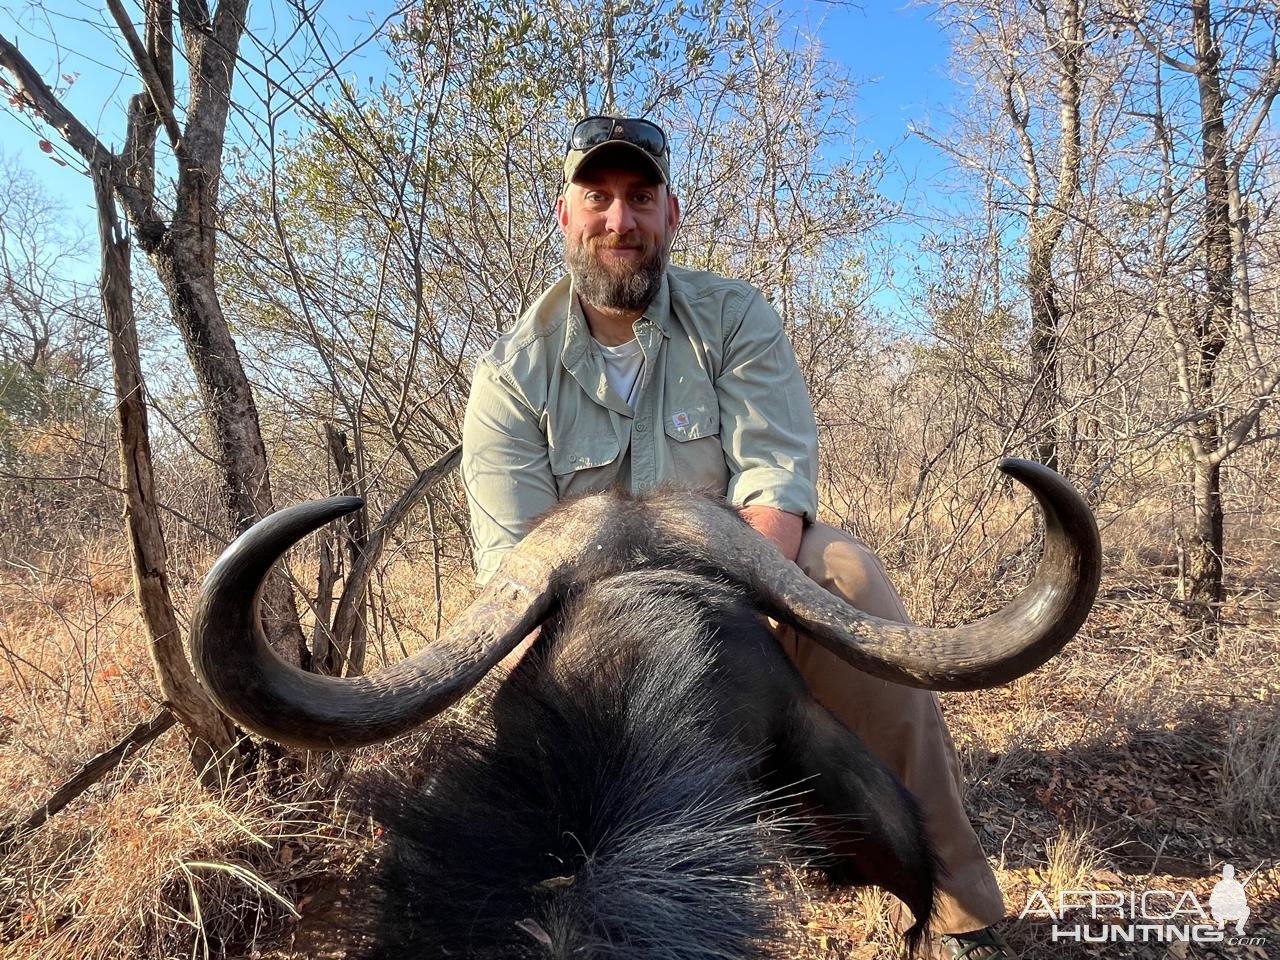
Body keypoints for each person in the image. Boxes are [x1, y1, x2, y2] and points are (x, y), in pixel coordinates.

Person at [460, 114, 1016, 960]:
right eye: (599, 199)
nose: (620, 221)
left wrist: (732, 630)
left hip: (738, 583)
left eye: (640, 199)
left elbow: (773, 481)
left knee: (854, 580)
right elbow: (510, 566)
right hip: (588, 625)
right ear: (565, 217)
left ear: (672, 214)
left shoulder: (732, 315)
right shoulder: (509, 372)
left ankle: (960, 908)